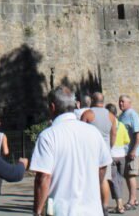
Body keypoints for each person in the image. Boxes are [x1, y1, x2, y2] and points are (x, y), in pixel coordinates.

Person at [30, 86, 112, 216]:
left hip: (63, 210)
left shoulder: (48, 136)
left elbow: (43, 177)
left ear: (52, 107)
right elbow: (102, 166)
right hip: (92, 210)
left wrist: (37, 210)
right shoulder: (93, 132)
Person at [86, 92, 119, 211]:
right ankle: (104, 206)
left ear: (92, 100)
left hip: (91, 152)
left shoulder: (88, 114)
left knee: (90, 180)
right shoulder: (111, 116)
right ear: (103, 101)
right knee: (104, 179)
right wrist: (110, 147)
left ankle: (93, 205)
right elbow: (114, 133)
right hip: (105, 152)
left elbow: (81, 133)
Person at [117, 94, 139, 210]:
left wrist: (133, 149)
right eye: (119, 101)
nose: (120, 104)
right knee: (127, 175)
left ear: (129, 103)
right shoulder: (121, 116)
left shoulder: (133, 115)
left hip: (133, 151)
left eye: (123, 101)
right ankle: (134, 199)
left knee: (131, 175)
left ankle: (132, 201)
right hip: (125, 151)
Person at [106, 103, 131, 213]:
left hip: (111, 155)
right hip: (121, 155)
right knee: (119, 180)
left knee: (113, 180)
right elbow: (127, 140)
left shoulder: (107, 125)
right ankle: (119, 203)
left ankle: (119, 204)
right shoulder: (121, 125)